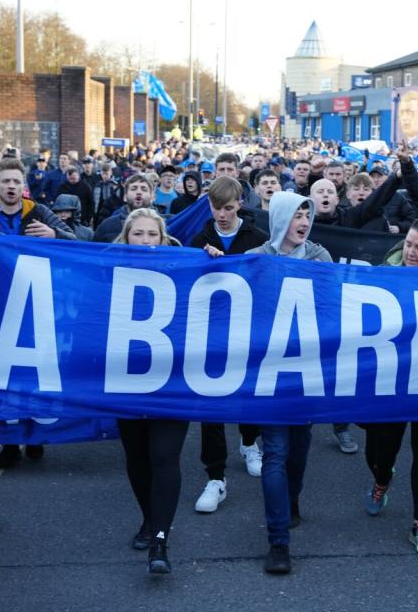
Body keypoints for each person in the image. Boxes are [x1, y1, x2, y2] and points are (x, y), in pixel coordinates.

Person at [247, 192, 332, 575]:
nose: (304, 220)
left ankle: (290, 501)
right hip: (271, 374)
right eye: (297, 213)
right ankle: (278, 541)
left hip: (309, 372)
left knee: (298, 451)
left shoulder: (320, 257)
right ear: (280, 218)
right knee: (276, 453)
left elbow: (336, 305)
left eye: (307, 213)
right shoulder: (258, 259)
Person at [364, 205, 418, 555]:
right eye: (408, 245)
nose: (411, 253)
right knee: (380, 449)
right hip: (390, 380)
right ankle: (382, 478)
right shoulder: (386, 275)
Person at [0, 158, 75, 467]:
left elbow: (78, 242)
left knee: (33, 375)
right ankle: (9, 444)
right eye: (4, 181)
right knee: (3, 380)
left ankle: (35, 437)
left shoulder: (40, 212)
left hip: (36, 304)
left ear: (24, 186)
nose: (10, 187)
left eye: (15, 182)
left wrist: (54, 235)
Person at [112, 208, 187, 574]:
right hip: (126, 382)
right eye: (137, 234)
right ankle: (149, 517)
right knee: (138, 457)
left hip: (173, 382)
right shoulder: (107, 272)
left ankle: (160, 538)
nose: (144, 241)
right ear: (126, 237)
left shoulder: (183, 269)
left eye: (151, 235)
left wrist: (215, 261)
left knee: (164, 455)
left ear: (163, 238)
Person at [189, 177, 268, 513]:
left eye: (228, 208)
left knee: (248, 394)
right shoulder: (199, 240)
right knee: (212, 405)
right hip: (210, 334)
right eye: (215, 208)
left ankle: (249, 442)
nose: (221, 214)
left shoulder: (257, 239)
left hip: (247, 332)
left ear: (240, 204)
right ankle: (216, 476)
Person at [93, 174, 156, 243]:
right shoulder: (107, 226)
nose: (138, 192)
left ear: (152, 197)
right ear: (125, 197)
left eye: (144, 189)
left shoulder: (165, 224)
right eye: (133, 189)